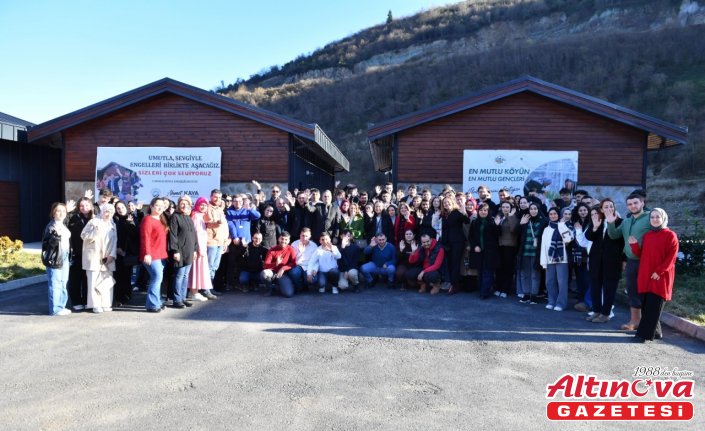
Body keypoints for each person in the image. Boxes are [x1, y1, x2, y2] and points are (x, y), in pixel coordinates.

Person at [629, 208, 678, 343]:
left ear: (663, 218)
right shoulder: (647, 236)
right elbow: (642, 255)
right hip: (646, 276)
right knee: (646, 306)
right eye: (652, 217)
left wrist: (660, 271)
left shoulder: (670, 235)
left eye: (658, 217)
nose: (655, 219)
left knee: (653, 306)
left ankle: (642, 335)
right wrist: (634, 246)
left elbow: (671, 257)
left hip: (660, 277)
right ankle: (656, 332)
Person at [607, 193, 653, 330]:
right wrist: (610, 222)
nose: (632, 206)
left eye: (635, 203)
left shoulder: (651, 217)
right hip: (631, 262)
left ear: (642, 203)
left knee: (647, 293)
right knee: (632, 291)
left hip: (647, 262)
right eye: (630, 204)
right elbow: (614, 235)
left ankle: (650, 324)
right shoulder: (627, 221)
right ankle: (635, 321)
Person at [583, 200, 624, 323]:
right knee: (595, 286)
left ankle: (605, 313)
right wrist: (595, 226)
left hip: (612, 261)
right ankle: (596, 311)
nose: (609, 208)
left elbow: (622, 242)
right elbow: (589, 237)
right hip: (596, 260)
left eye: (611, 206)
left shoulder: (620, 222)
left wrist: (623, 261)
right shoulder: (597, 221)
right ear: (601, 209)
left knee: (609, 288)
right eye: (606, 207)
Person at [81, 203, 117, 313]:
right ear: (102, 211)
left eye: (111, 212)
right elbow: (83, 235)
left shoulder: (112, 225)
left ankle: (106, 303)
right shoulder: (93, 221)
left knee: (106, 281)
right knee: (93, 282)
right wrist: (95, 231)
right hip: (94, 257)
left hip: (108, 258)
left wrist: (112, 255)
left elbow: (115, 241)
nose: (108, 214)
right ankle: (95, 304)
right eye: (106, 211)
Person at [538, 207, 574, 311]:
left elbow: (568, 239)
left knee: (562, 282)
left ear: (559, 215)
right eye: (551, 214)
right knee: (549, 281)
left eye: (555, 214)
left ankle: (561, 303)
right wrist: (543, 262)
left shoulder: (565, 226)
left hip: (562, 259)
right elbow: (544, 246)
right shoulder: (546, 229)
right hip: (549, 259)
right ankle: (551, 301)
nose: (553, 216)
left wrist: (561, 225)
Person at [42, 203, 72, 316]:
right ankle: (55, 309)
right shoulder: (51, 226)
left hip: (64, 255)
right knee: (55, 283)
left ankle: (61, 306)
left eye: (63, 211)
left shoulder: (62, 224)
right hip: (55, 257)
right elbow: (47, 244)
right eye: (58, 211)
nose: (61, 213)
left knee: (64, 282)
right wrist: (55, 237)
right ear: (53, 213)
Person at [140, 197, 169, 312]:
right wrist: (147, 254)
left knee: (157, 279)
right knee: (156, 278)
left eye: (162, 205)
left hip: (161, 255)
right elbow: (145, 238)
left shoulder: (161, 219)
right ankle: (152, 305)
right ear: (151, 206)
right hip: (152, 255)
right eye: (157, 205)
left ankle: (156, 301)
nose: (160, 207)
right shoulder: (148, 219)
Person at [168, 196, 197, 308]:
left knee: (185, 276)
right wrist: (175, 251)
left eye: (187, 204)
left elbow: (193, 236)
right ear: (178, 205)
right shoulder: (175, 217)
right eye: (182, 204)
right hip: (180, 251)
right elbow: (173, 235)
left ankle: (183, 298)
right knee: (179, 276)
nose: (184, 206)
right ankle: (176, 299)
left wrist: (195, 250)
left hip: (189, 251)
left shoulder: (188, 217)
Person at [469, 203, 500, 299]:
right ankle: (482, 289)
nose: (483, 212)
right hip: (478, 251)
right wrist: (475, 246)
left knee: (488, 271)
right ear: (478, 211)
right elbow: (471, 236)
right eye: (481, 210)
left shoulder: (492, 221)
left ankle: (484, 292)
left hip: (490, 251)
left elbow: (498, 235)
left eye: (485, 210)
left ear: (488, 211)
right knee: (480, 271)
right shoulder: (474, 222)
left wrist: (497, 225)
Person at [67, 197, 93, 311]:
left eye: (86, 205)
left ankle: (87, 300)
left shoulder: (94, 218)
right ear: (78, 207)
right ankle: (76, 301)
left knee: (87, 279)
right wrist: (67, 211)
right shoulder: (73, 217)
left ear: (91, 206)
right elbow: (63, 223)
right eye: (81, 206)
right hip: (77, 254)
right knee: (75, 279)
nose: (84, 208)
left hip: (91, 254)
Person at [440, 196, 470, 295]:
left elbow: (466, 221)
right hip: (447, 242)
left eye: (448, 202)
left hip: (457, 242)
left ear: (452, 203)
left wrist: (464, 212)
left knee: (455, 263)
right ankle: (454, 283)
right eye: (444, 203)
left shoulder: (457, 212)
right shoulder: (444, 214)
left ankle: (454, 285)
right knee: (449, 263)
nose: (446, 204)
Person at [113, 200, 140, 308]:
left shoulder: (131, 218)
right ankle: (119, 298)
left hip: (127, 252)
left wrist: (129, 224)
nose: (120, 210)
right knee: (118, 276)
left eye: (122, 207)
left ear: (126, 208)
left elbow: (135, 235)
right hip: (117, 251)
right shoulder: (114, 220)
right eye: (118, 208)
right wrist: (117, 248)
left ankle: (127, 296)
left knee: (127, 276)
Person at [191, 197, 216, 301]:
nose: (203, 207)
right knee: (195, 271)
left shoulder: (201, 215)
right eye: (201, 204)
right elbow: (196, 234)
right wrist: (199, 249)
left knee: (199, 270)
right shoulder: (196, 216)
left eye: (205, 205)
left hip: (202, 248)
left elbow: (211, 219)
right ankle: (194, 293)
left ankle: (196, 292)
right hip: (199, 248)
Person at [495, 201, 519, 298]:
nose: (505, 208)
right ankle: (498, 288)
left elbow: (513, 229)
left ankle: (505, 289)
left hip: (509, 246)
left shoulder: (514, 218)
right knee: (499, 268)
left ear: (511, 208)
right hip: (499, 246)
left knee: (508, 269)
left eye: (507, 207)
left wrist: (511, 216)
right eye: (503, 207)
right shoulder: (499, 217)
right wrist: (496, 224)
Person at [262, 231, 297, 297]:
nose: (283, 241)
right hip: (272, 272)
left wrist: (283, 268)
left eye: (286, 239)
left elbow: (294, 263)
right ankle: (269, 288)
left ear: (289, 240)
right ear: (278, 239)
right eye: (282, 239)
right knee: (264, 273)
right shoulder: (272, 250)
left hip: (283, 274)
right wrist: (276, 264)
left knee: (288, 294)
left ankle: (277, 286)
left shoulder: (291, 249)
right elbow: (265, 265)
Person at [288, 228, 319, 292]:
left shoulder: (314, 246)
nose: (304, 238)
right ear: (300, 235)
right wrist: (300, 251)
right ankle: (299, 287)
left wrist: (314, 269)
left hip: (308, 266)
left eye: (306, 236)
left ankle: (305, 285)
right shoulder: (294, 244)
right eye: (302, 235)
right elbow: (292, 259)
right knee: (293, 273)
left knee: (313, 279)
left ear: (310, 236)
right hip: (298, 265)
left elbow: (316, 260)